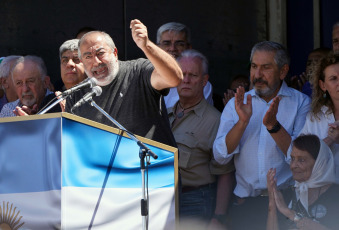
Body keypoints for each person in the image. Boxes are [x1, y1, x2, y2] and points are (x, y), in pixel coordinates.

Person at [213, 41, 311, 230]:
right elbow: (220, 157)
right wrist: (242, 122)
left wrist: (273, 125)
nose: (257, 75)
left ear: (283, 71)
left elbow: (302, 159)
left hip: (286, 204)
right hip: (245, 205)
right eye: (254, 66)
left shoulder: (300, 103)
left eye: (266, 68)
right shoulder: (237, 104)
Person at [65, 19, 182, 147]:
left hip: (151, 164)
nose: (96, 61)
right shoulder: (75, 95)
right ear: (82, 61)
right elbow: (74, 146)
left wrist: (146, 45)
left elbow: (174, 78)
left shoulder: (139, 71)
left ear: (115, 53)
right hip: (104, 166)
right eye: (88, 56)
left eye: (101, 53)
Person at [168, 49, 234, 229]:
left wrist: (218, 217)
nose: (186, 80)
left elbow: (225, 172)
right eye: (181, 74)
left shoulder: (215, 120)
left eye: (193, 75)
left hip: (196, 201)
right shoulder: (165, 114)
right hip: (164, 201)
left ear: (204, 81)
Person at [266, 134, 339, 230]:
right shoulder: (288, 194)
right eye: (292, 159)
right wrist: (272, 203)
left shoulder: (335, 195)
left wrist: (291, 214)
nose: (293, 165)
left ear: (319, 162)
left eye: (301, 160)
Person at [297, 53, 339, 183]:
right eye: (333, 78)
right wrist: (330, 140)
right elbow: (298, 158)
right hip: (323, 195)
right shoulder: (315, 117)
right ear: (323, 85)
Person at [156, 22, 214, 108]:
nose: (172, 49)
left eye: (179, 44)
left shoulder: (200, 85)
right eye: (167, 43)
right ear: (157, 48)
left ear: (188, 48)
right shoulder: (144, 78)